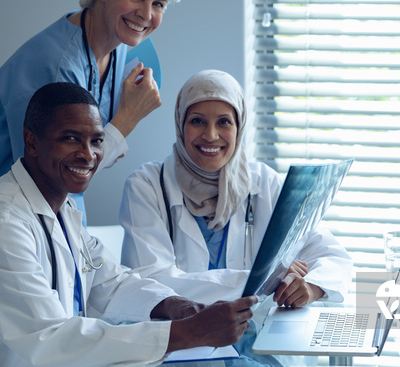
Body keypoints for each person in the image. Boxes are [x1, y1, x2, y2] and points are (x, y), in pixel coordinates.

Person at [0, 82, 257, 367]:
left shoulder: (62, 209)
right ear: (31, 141)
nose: (88, 154)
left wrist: (173, 306)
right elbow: (51, 340)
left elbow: (108, 282)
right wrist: (183, 334)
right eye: (70, 138)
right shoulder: (1, 228)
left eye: (97, 140)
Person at [0, 0, 186, 284]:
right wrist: (128, 119)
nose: (146, 14)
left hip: (46, 219)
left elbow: (78, 165)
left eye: (159, 4)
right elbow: (54, 172)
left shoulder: (123, 51)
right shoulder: (53, 68)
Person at [120, 70, 353, 307]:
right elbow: (151, 281)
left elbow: (333, 256)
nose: (211, 135)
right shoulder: (147, 186)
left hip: (249, 336)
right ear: (181, 124)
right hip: (177, 337)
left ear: (239, 126)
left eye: (224, 122)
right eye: (197, 121)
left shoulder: (263, 183)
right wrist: (263, 278)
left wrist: (311, 287)